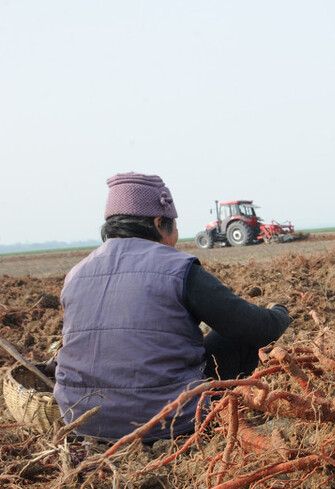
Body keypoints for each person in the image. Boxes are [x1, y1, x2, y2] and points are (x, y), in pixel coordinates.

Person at [53, 173, 291, 442]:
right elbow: (252, 326)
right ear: (158, 223)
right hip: (169, 421)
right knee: (237, 336)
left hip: (81, 420)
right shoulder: (178, 267)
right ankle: (225, 422)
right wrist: (280, 314)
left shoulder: (76, 273)